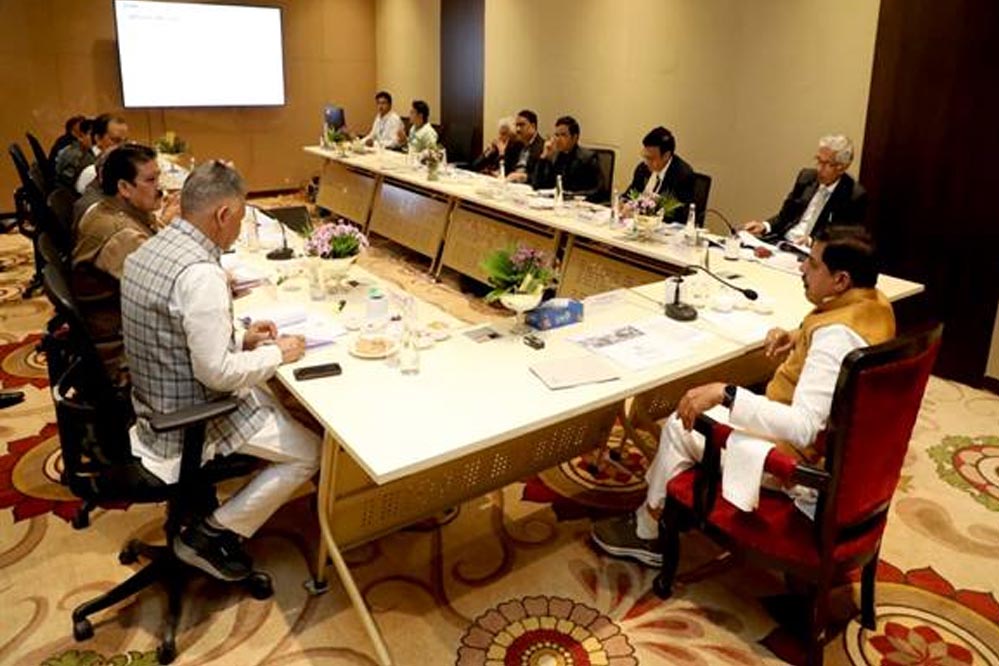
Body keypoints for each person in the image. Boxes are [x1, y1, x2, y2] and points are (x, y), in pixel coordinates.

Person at [591, 225, 895, 567]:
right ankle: (671, 506)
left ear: (840, 280)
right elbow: (836, 345)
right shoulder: (874, 305)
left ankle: (648, 529)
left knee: (682, 422)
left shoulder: (834, 337)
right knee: (698, 415)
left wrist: (727, 394)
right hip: (849, 459)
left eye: (812, 263)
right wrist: (798, 336)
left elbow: (805, 427)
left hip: (798, 466)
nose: (802, 268)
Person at [121, 161, 320, 582]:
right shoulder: (201, 274)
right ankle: (210, 535)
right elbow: (217, 374)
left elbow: (172, 330)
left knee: (273, 399)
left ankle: (212, 514)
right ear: (223, 214)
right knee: (310, 452)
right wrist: (278, 353)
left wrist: (242, 338)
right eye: (240, 219)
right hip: (185, 419)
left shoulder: (152, 246)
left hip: (151, 397)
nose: (238, 228)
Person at [72, 144, 180, 382]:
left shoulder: (109, 208)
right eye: (151, 180)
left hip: (121, 331)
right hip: (123, 354)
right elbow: (173, 293)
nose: (160, 188)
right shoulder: (121, 234)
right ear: (124, 187)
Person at [743, 135, 867, 245]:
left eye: (825, 164)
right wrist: (764, 226)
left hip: (812, 254)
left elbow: (842, 240)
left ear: (842, 167)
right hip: (781, 242)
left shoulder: (853, 195)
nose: (818, 168)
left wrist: (811, 241)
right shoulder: (806, 177)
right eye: (818, 160)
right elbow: (785, 216)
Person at [624, 126, 696, 223]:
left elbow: (680, 216)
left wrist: (647, 214)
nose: (646, 162)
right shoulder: (642, 169)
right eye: (645, 156)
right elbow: (630, 193)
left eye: (651, 158)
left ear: (666, 156)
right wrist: (623, 204)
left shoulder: (683, 176)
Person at [531, 115, 603, 201]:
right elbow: (537, 186)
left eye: (563, 135)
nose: (558, 139)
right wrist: (544, 157)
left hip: (578, 204)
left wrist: (572, 196)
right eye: (556, 135)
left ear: (574, 138)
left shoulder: (588, 158)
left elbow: (600, 190)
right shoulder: (556, 156)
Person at [74, 114, 130, 194]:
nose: (122, 146)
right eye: (115, 140)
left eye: (125, 141)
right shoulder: (91, 171)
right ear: (98, 139)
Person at [54, 118, 95, 190]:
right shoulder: (76, 155)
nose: (96, 139)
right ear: (81, 136)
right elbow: (67, 183)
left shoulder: (76, 148)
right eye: (92, 135)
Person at [507, 109, 544, 183]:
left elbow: (541, 176)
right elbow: (507, 167)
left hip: (528, 185)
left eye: (522, 125)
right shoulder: (516, 144)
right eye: (517, 125)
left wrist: (525, 177)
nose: (518, 129)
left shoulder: (542, 147)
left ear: (533, 126)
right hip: (512, 183)